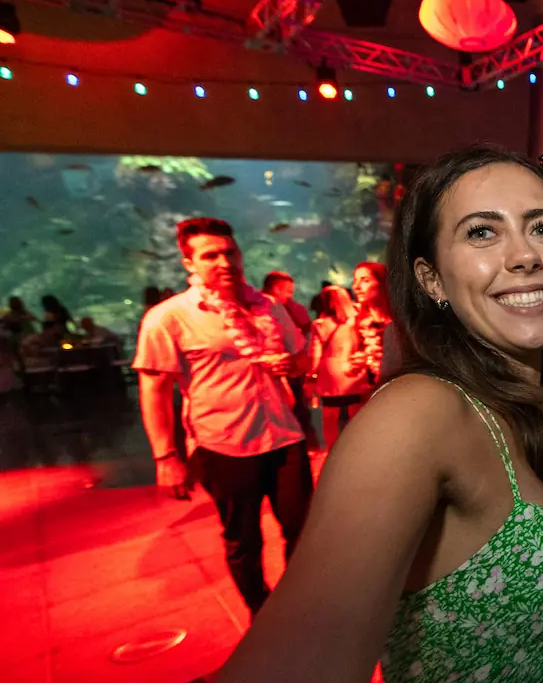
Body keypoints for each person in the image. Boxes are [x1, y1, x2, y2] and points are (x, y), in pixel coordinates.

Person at [95, 146, 543, 683]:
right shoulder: (419, 415)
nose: (524, 255)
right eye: (482, 231)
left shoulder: (537, 405)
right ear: (431, 279)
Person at [133, 218, 312, 615]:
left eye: (229, 252)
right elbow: (154, 389)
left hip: (284, 436)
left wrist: (294, 363)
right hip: (225, 443)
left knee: (304, 529)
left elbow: (301, 357)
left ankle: (298, 608)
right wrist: (166, 458)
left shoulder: (269, 307)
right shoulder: (169, 317)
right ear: (189, 264)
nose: (224, 261)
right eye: (210, 255)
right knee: (243, 539)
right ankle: (261, 614)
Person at [307, 285, 371, 451]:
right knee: (357, 416)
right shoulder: (356, 321)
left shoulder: (319, 325)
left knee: (330, 419)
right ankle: (361, 449)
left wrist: (311, 375)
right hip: (354, 373)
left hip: (330, 377)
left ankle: (333, 453)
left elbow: (315, 354)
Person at [263, 271, 319, 449]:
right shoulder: (272, 306)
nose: (290, 296)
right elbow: (301, 341)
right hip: (280, 375)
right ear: (276, 289)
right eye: (288, 291)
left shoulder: (293, 308)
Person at [352, 261, 393, 385]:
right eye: (355, 280)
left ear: (381, 283)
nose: (356, 287)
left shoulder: (401, 321)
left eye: (365, 280)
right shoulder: (356, 322)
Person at [262, 271, 314, 339]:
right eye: (289, 292)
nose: (290, 296)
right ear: (276, 289)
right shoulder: (291, 309)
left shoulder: (295, 309)